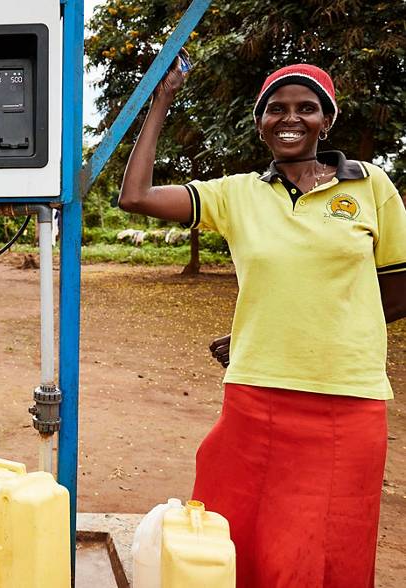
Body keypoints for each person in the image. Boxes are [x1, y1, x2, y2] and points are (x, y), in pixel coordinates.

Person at [118, 62, 406, 586]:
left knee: (328, 545)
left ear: (327, 119)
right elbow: (135, 196)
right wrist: (161, 100)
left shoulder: (371, 186)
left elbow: (399, 286)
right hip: (257, 398)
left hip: (347, 399)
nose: (289, 119)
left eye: (305, 108)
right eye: (276, 109)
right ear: (260, 122)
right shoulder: (237, 194)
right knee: (235, 530)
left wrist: (315, 324)